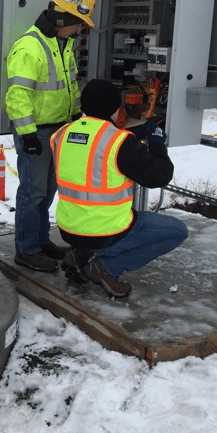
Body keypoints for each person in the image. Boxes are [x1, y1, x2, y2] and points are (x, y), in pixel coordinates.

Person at [50, 79, 188, 297]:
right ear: (116, 107)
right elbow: (160, 175)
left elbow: (93, 146)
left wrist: (136, 136)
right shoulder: (120, 142)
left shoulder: (62, 134)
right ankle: (107, 268)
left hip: (69, 228)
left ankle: (77, 255)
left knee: (92, 217)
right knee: (177, 231)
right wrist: (158, 144)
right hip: (107, 234)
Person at [5, 0, 96, 272]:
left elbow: (67, 87)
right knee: (32, 192)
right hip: (37, 132)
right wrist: (28, 134)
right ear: (63, 19)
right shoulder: (30, 47)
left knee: (47, 189)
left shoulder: (62, 44)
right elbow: (17, 95)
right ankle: (27, 249)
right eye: (79, 24)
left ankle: (41, 241)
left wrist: (75, 116)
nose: (80, 30)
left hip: (59, 131)